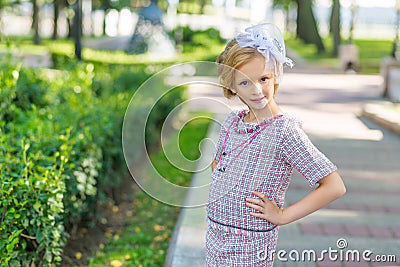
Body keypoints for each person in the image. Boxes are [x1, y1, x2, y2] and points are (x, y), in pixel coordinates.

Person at [206, 23, 346, 267]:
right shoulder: (232, 122)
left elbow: (334, 186)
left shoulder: (284, 131)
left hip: (249, 247)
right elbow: (218, 164)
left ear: (275, 75)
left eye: (263, 78)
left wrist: (282, 215)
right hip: (215, 238)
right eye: (245, 83)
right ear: (231, 86)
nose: (257, 89)